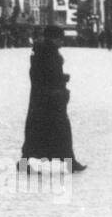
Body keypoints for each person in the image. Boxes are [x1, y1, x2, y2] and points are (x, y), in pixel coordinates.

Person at [21, 25, 84, 172]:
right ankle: (70, 162)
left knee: (35, 131)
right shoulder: (49, 53)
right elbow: (49, 76)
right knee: (62, 131)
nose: (62, 42)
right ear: (53, 38)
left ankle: (24, 162)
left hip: (40, 99)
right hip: (51, 99)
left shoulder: (42, 51)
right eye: (60, 39)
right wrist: (63, 80)